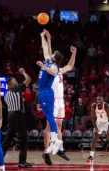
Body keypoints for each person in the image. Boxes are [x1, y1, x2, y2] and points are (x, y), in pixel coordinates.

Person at [41, 29, 76, 165]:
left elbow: (70, 65)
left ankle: (60, 149)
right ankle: (46, 152)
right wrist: (48, 40)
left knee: (59, 125)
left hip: (61, 100)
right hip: (52, 99)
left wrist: (74, 53)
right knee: (49, 127)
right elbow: (47, 52)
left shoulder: (59, 70)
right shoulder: (51, 68)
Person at [36, 29, 64, 162]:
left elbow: (53, 72)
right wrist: (44, 37)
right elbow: (45, 48)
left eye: (53, 54)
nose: (50, 53)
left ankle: (55, 140)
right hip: (42, 92)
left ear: (55, 57)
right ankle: (54, 140)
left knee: (49, 116)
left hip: (47, 91)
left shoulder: (54, 66)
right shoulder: (48, 59)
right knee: (48, 116)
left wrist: (42, 66)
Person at [2, 68, 32, 168]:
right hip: (17, 115)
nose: (16, 82)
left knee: (8, 139)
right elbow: (28, 80)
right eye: (14, 81)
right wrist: (23, 72)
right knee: (24, 138)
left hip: (10, 116)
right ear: (10, 83)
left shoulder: (6, 93)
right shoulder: (17, 88)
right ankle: (22, 161)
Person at [86, 96, 109, 163]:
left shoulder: (107, 106)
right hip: (99, 122)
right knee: (94, 139)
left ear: (103, 100)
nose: (99, 100)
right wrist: (96, 128)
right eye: (97, 99)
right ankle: (91, 156)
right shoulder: (93, 106)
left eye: (100, 99)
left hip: (107, 122)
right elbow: (93, 118)